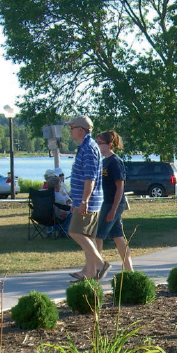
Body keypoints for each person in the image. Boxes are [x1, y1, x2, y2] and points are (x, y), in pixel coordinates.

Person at [65, 115, 106, 282]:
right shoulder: (85, 147)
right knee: (87, 236)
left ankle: (100, 265)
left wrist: (83, 201)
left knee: (75, 232)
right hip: (86, 200)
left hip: (89, 201)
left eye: (72, 128)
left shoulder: (88, 148)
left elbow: (89, 178)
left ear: (80, 129)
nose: (70, 131)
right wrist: (77, 201)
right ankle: (89, 272)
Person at [95, 130, 133, 276]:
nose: (98, 145)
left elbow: (120, 187)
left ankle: (97, 269)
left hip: (113, 203)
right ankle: (130, 271)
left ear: (110, 145)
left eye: (100, 143)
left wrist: (113, 209)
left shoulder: (115, 162)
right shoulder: (104, 161)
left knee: (98, 236)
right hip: (106, 202)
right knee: (118, 237)